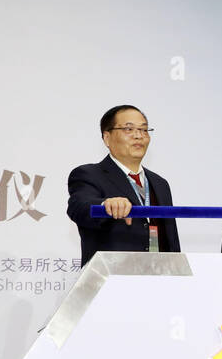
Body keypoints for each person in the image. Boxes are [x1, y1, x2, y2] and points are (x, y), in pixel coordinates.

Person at [67, 104, 181, 266]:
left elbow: (170, 238)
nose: (138, 136)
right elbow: (79, 207)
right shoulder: (89, 174)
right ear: (107, 138)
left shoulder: (160, 183)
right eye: (129, 129)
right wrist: (104, 205)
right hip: (114, 279)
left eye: (143, 130)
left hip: (160, 277)